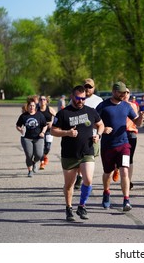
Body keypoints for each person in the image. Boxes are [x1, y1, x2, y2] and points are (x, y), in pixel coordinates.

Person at [51, 85, 104, 221]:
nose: (80, 101)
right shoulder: (63, 113)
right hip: (69, 154)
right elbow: (53, 130)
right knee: (69, 185)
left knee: (88, 179)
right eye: (78, 98)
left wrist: (98, 135)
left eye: (83, 98)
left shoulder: (91, 111)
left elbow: (101, 125)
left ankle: (82, 205)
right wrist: (67, 132)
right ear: (72, 96)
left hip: (87, 151)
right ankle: (69, 208)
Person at [96, 81, 144, 211]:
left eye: (125, 92)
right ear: (114, 92)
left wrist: (140, 117)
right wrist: (102, 128)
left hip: (123, 144)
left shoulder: (126, 106)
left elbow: (137, 123)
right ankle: (106, 193)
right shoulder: (103, 106)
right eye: (121, 93)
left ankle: (126, 200)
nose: (124, 95)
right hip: (108, 145)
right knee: (108, 172)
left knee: (124, 170)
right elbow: (93, 121)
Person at [74, 78, 103, 189]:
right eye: (85, 86)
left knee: (90, 157)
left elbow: (101, 119)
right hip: (78, 134)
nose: (87, 89)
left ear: (94, 88)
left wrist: (100, 133)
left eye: (90, 87)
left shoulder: (98, 101)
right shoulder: (76, 99)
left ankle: (84, 177)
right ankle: (80, 176)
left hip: (93, 134)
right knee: (78, 157)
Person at [16, 97, 47, 177]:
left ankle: (34, 162)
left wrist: (43, 132)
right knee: (29, 155)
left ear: (35, 106)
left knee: (39, 155)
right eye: (30, 106)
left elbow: (45, 125)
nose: (31, 107)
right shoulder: (24, 116)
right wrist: (20, 130)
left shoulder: (39, 115)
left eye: (33, 106)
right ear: (27, 106)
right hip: (27, 138)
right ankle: (30, 170)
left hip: (38, 138)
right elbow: (18, 125)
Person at [38, 95, 56, 170]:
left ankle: (45, 156)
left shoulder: (50, 109)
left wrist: (52, 122)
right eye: (41, 99)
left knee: (47, 147)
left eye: (44, 99)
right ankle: (42, 162)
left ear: (46, 101)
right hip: (40, 130)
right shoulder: (37, 109)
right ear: (39, 101)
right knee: (41, 147)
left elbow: (58, 117)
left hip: (49, 130)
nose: (42, 101)